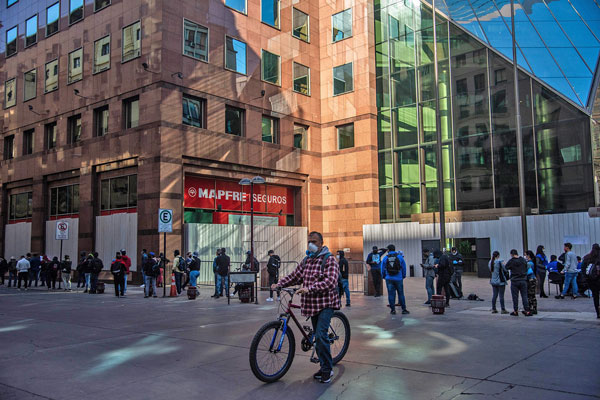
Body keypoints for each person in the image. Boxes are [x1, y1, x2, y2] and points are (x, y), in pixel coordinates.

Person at [272, 231, 340, 384]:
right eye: (309, 241)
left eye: (314, 241)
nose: (311, 244)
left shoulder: (329, 260)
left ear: (321, 243)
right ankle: (323, 366)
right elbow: (294, 276)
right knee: (318, 335)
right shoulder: (306, 260)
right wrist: (280, 284)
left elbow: (331, 281)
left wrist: (310, 288)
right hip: (312, 304)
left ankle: (327, 369)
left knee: (321, 335)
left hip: (326, 303)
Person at [381, 244, 409, 315]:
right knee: (401, 294)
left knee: (391, 294)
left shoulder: (385, 258)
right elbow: (404, 267)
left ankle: (393, 310)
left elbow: (382, 269)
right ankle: (404, 309)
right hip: (398, 278)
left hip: (389, 278)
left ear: (388, 250)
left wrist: (384, 276)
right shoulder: (399, 257)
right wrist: (403, 276)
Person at [505, 249, 532, 316]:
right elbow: (527, 266)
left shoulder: (511, 261)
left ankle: (515, 311)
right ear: (517, 253)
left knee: (515, 297)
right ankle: (527, 311)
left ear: (511, 254)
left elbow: (506, 268)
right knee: (524, 296)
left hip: (514, 281)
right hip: (523, 280)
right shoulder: (523, 260)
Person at [582, 243, 600, 318]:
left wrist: (586, 278)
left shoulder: (587, 257)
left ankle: (598, 313)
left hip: (591, 280)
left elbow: (583, 269)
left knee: (595, 296)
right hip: (599, 279)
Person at [525, 251, 538, 315]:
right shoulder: (532, 262)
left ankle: (531, 308)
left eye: (526, 255)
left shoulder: (529, 263)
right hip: (533, 279)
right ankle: (534, 308)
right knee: (532, 295)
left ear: (528, 255)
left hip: (530, 280)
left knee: (530, 295)